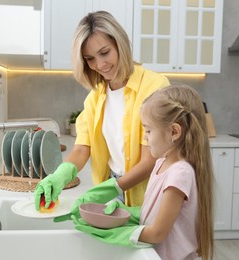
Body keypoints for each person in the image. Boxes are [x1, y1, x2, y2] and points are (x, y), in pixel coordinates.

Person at [34, 11, 170, 213]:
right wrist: (59, 176)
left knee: (144, 244)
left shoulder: (154, 87)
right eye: (90, 58)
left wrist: (111, 189)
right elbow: (81, 149)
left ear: (120, 44)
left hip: (149, 189)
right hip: (112, 187)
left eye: (104, 52)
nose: (100, 64)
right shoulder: (95, 98)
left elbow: (150, 159)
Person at [72, 84, 214, 260]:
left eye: (148, 130)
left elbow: (157, 233)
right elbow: (156, 214)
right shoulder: (162, 163)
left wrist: (115, 232)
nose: (145, 137)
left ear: (174, 132)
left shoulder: (180, 173)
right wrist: (126, 213)